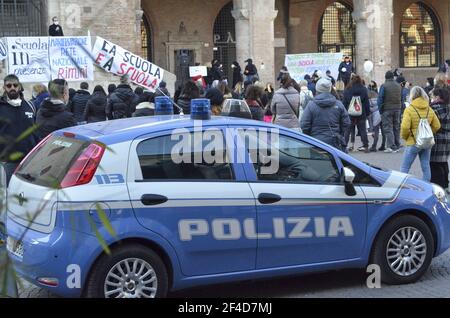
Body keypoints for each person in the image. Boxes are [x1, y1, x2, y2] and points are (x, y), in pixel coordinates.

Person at [0, 75, 38, 184]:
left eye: (15, 85)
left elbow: (34, 131)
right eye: (9, 85)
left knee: (28, 190)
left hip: (29, 159)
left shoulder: (30, 106)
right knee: (11, 190)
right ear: (4, 88)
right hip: (9, 160)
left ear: (19, 86)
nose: (12, 88)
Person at [400, 86, 441, 181]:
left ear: (412, 96)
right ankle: (426, 186)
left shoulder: (409, 109)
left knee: (405, 167)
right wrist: (428, 133)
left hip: (413, 141)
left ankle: (402, 186)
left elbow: (405, 127)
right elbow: (437, 125)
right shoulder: (429, 109)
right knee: (426, 166)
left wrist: (406, 137)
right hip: (426, 142)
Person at [301, 78, 351, 151]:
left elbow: (304, 125)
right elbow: (346, 123)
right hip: (335, 142)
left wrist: (311, 136)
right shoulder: (338, 104)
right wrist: (339, 133)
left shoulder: (311, 105)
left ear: (317, 89)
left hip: (316, 142)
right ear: (330, 89)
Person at [343, 75, 371, 153]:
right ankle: (366, 146)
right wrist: (368, 113)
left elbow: (344, 102)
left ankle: (344, 146)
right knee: (362, 130)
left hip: (350, 113)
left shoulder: (347, 89)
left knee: (347, 130)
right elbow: (366, 103)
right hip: (361, 113)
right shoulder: (363, 89)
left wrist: (344, 113)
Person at [429, 88, 450, 190]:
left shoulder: (434, 108)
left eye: (432, 96)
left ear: (437, 97)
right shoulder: (448, 107)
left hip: (437, 138)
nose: (431, 98)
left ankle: (438, 185)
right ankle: (446, 184)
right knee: (444, 161)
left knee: (434, 163)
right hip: (448, 138)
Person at [378, 71, 403, 153]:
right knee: (396, 127)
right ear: (393, 77)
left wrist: (380, 109)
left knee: (388, 127)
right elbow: (401, 98)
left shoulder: (384, 86)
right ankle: (397, 144)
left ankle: (391, 146)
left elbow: (380, 98)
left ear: (386, 77)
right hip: (397, 108)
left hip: (387, 109)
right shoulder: (398, 86)